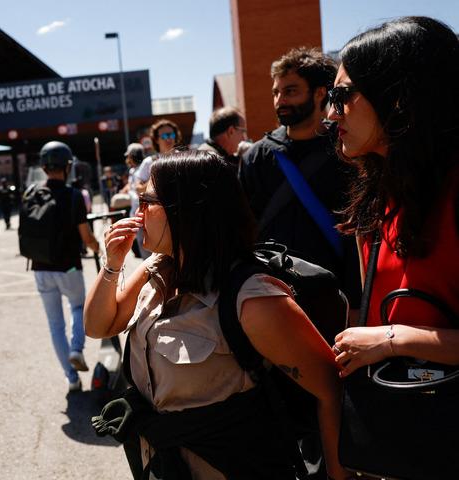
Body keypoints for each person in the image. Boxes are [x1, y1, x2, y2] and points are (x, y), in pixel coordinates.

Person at [84, 150, 347, 479]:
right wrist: (113, 264)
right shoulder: (159, 270)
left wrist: (337, 475)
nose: (137, 214)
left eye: (146, 201)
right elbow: (97, 326)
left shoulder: (252, 299)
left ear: (186, 210)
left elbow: (329, 387)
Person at [328, 17, 459, 386]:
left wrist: (392, 340)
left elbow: (382, 336)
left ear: (399, 97)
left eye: (342, 96)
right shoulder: (375, 200)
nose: (331, 114)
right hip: (403, 425)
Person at [239, 47, 361, 316]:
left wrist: (356, 302)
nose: (279, 100)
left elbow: (361, 230)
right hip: (273, 295)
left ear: (320, 93)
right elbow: (242, 229)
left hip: (338, 296)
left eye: (290, 91)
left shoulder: (348, 149)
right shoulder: (257, 156)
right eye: (276, 92)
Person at [31, 141, 100, 393]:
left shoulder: (31, 193)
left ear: (43, 166)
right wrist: (98, 248)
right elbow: (86, 237)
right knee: (79, 307)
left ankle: (71, 378)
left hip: (39, 269)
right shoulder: (74, 196)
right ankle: (76, 349)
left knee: (55, 325)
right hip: (69, 268)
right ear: (68, 166)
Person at [132, 120, 183, 259]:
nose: (169, 138)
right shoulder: (150, 162)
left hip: (181, 219)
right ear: (156, 139)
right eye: (164, 136)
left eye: (171, 134)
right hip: (157, 223)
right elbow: (138, 189)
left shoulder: (184, 158)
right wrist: (157, 177)